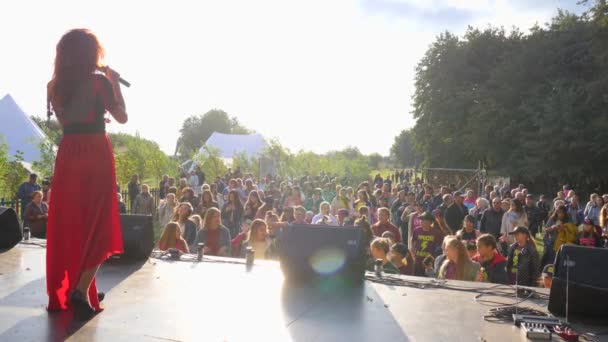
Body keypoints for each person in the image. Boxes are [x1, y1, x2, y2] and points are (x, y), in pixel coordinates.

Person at [46, 28, 127, 320]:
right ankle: (81, 289)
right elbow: (122, 117)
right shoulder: (98, 83)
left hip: (68, 154)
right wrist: (114, 83)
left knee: (73, 222)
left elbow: (66, 121)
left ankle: (84, 287)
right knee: (100, 221)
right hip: (95, 153)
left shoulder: (53, 86)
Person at [410, 212, 444, 276]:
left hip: (429, 262)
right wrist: (413, 255)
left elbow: (440, 248)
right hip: (418, 260)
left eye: (424, 220)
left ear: (430, 222)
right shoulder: (416, 230)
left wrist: (434, 260)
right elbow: (412, 243)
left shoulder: (436, 233)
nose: (422, 221)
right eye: (421, 220)